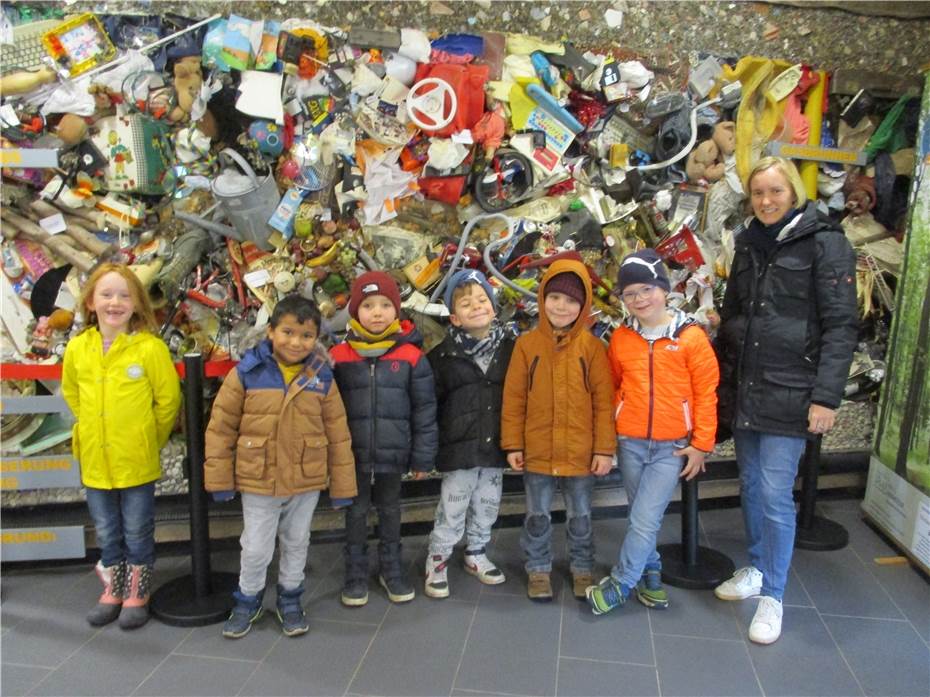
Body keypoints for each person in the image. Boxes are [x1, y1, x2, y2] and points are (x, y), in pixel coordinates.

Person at [714, 156, 857, 644]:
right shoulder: (749, 242)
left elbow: (841, 326)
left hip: (793, 392)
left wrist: (826, 398)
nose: (766, 201)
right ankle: (756, 569)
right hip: (750, 387)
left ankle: (773, 595)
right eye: (758, 193)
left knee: (776, 494)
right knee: (752, 484)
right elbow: (734, 309)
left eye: (775, 191)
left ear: (792, 191)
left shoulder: (826, 243)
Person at [204, 295, 356, 638]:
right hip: (259, 478)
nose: (295, 342)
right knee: (256, 547)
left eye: (305, 335)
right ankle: (248, 599)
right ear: (270, 331)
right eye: (287, 332)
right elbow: (221, 427)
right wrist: (219, 478)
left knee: (296, 541)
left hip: (306, 479)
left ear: (315, 338)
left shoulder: (322, 377)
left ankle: (290, 598)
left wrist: (343, 486)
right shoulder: (247, 373)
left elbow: (338, 432)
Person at [586, 250, 719, 615]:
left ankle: (621, 582)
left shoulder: (691, 338)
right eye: (630, 294)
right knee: (639, 515)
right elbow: (615, 386)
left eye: (646, 289)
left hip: (671, 447)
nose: (639, 299)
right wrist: (610, 434)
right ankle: (652, 570)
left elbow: (707, 393)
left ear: (664, 288)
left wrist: (701, 444)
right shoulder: (621, 339)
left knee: (646, 518)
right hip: (630, 442)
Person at [62, 263, 181, 630]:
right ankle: (113, 588)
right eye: (106, 294)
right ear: (91, 301)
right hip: (95, 458)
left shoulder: (150, 349)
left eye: (124, 295)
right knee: (106, 529)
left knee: (137, 528)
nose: (115, 302)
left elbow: (168, 402)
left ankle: (137, 592)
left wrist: (148, 438)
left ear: (137, 303)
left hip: (136, 459)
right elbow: (72, 394)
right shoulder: (79, 348)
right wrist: (94, 429)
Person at [501, 259, 615, 602]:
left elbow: (604, 403)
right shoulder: (526, 345)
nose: (561, 307)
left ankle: (582, 567)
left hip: (581, 453)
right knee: (537, 513)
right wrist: (512, 443)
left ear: (583, 307)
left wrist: (603, 450)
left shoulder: (593, 349)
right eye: (554, 298)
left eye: (570, 301)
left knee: (581, 514)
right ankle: (537, 567)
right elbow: (514, 396)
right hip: (537, 450)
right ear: (542, 298)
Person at [330, 271, 438, 606]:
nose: (377, 313)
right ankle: (356, 572)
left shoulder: (411, 357)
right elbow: (327, 410)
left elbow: (424, 409)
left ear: (397, 310)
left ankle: (391, 569)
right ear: (354, 311)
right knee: (357, 511)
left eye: (385, 305)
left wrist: (423, 457)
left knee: (391, 510)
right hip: (353, 456)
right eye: (368, 305)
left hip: (394, 454)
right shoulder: (339, 356)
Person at [423, 270, 515, 598]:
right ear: (455, 318)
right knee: (453, 504)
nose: (476, 306)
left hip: (495, 445)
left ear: (493, 307)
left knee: (488, 503)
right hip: (459, 448)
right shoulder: (442, 357)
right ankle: (438, 557)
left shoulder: (511, 350)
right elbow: (431, 403)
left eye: (482, 300)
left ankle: (476, 551)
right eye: (466, 303)